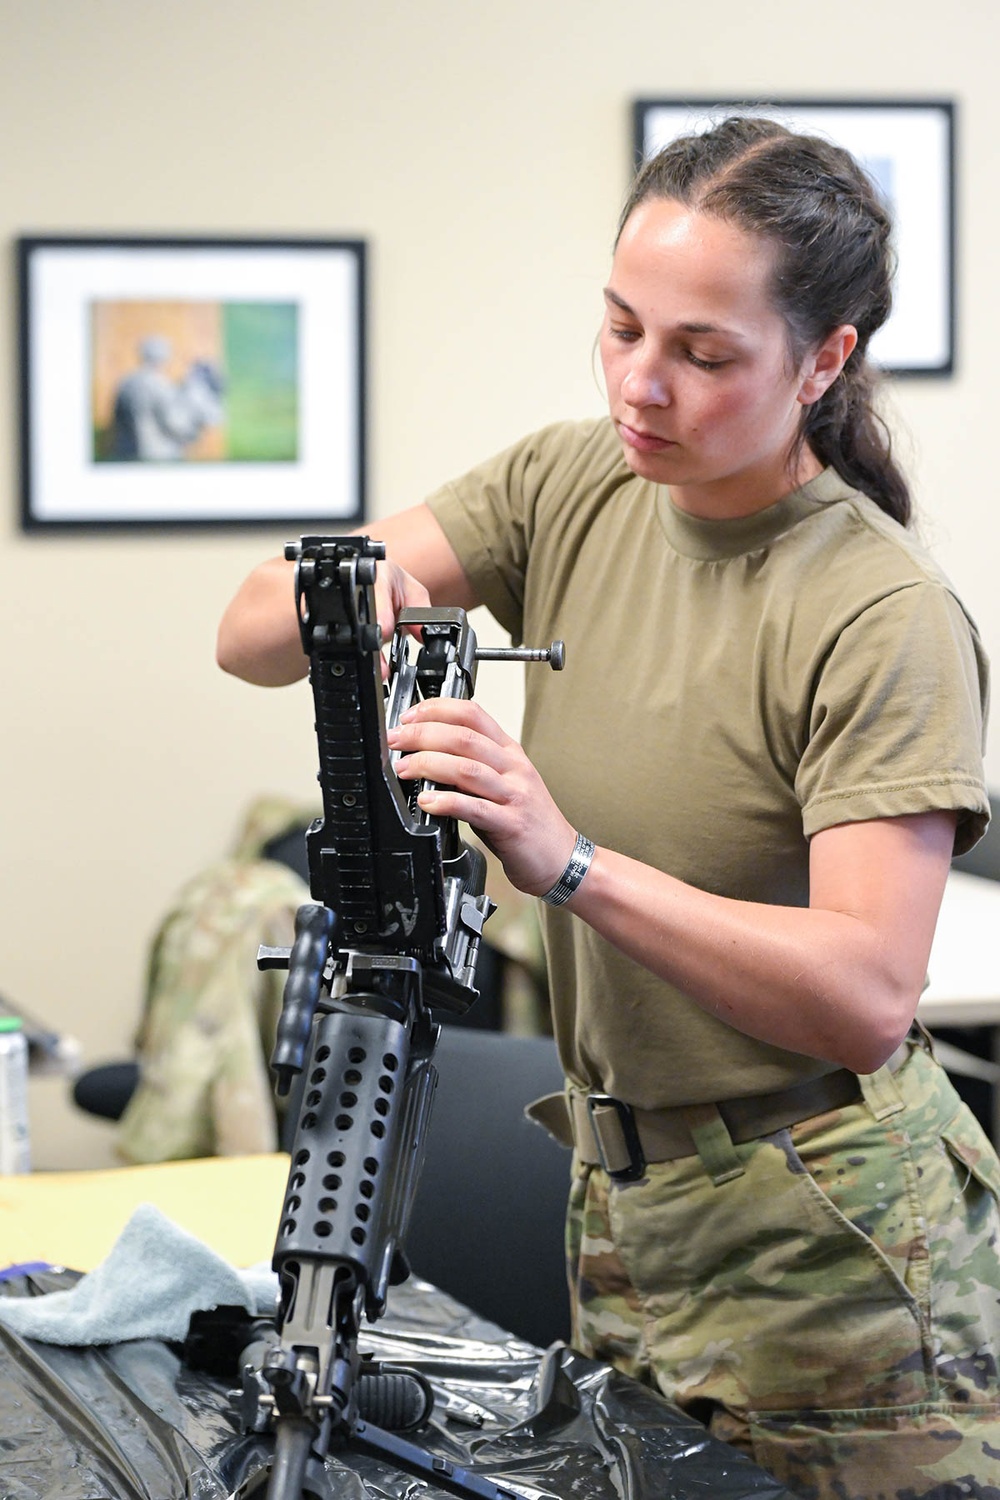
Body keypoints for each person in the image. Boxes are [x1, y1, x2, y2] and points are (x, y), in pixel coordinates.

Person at [217, 117, 1000, 1498]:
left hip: (836, 1240)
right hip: (620, 1205)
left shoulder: (878, 615)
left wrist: (565, 857)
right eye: (623, 327)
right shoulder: (573, 482)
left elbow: (866, 995)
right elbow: (243, 633)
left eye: (703, 354)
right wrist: (349, 604)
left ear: (826, 363)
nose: (644, 385)